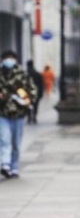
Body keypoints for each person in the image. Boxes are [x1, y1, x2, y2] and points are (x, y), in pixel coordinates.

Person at [0, 50, 37, 179]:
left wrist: (28, 99)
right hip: (3, 113)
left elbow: (32, 90)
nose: (8, 60)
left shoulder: (22, 74)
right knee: (4, 140)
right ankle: (5, 164)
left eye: (11, 58)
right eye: (6, 58)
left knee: (16, 142)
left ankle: (14, 167)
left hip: (19, 114)